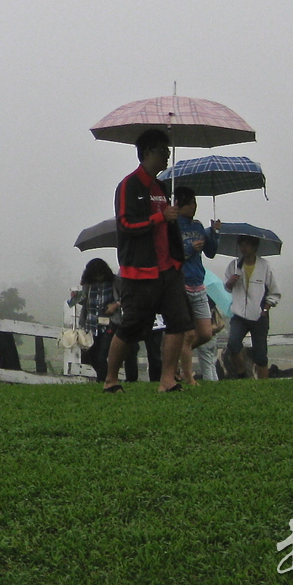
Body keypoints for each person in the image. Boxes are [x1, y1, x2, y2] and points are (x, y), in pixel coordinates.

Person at [103, 128, 194, 393]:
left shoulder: (162, 187)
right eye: (163, 151)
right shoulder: (129, 185)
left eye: (168, 151)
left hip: (169, 269)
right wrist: (160, 218)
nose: (167, 156)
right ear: (147, 152)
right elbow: (125, 224)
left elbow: (168, 224)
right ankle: (111, 379)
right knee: (132, 326)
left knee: (178, 322)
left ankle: (167, 380)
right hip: (140, 271)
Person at [173, 186, 221, 385]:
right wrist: (190, 248)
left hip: (198, 283)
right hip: (181, 282)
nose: (194, 207)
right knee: (187, 334)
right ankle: (188, 377)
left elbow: (210, 252)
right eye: (191, 203)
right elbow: (173, 254)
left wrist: (214, 233)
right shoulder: (173, 226)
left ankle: (173, 356)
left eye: (195, 203)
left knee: (205, 333)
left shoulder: (198, 226)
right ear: (180, 204)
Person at [223, 235, 281, 380]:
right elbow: (228, 288)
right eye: (241, 245)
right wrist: (230, 281)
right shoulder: (234, 266)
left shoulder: (265, 266)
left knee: (260, 354)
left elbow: (274, 292)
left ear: (255, 247)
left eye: (247, 245)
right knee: (233, 345)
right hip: (239, 315)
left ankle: (263, 385)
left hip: (259, 315)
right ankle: (242, 374)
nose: (244, 248)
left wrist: (265, 310)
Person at [68, 259, 127, 383]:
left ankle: (105, 380)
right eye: (96, 275)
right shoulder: (88, 284)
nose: (99, 277)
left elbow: (126, 296)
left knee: (102, 355)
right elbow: (86, 301)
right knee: (91, 354)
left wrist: (115, 305)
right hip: (90, 324)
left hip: (110, 323)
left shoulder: (115, 281)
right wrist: (76, 297)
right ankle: (104, 379)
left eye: (100, 274)